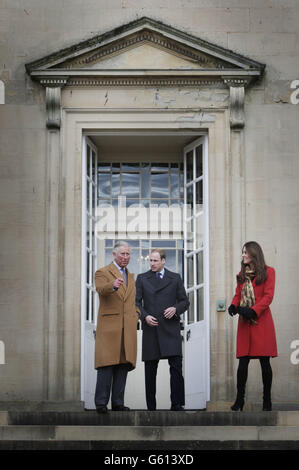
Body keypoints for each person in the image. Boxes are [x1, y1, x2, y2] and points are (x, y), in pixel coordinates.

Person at [136, 249, 189, 411]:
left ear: (164, 261)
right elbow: (136, 303)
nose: (151, 263)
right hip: (151, 330)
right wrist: (144, 317)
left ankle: (177, 404)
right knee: (150, 372)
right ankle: (151, 408)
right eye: (150, 260)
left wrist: (175, 308)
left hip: (170, 329)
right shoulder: (142, 278)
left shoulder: (175, 278)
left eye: (155, 261)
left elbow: (185, 302)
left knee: (176, 368)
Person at [228, 241, 277, 411]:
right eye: (242, 253)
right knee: (243, 362)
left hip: (260, 322)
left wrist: (254, 311)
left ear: (253, 254)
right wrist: (233, 306)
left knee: (265, 362)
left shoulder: (269, 272)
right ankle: (239, 400)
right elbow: (237, 294)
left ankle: (267, 400)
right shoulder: (241, 275)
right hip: (244, 324)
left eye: (245, 252)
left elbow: (268, 297)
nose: (242, 255)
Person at [94, 241, 139, 413]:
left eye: (128, 254)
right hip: (109, 327)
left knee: (122, 364)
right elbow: (100, 289)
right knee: (106, 364)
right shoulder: (102, 272)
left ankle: (118, 403)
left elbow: (134, 301)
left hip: (127, 327)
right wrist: (112, 286)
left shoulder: (131, 277)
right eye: (122, 254)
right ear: (114, 255)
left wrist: (136, 314)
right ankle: (101, 403)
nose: (125, 257)